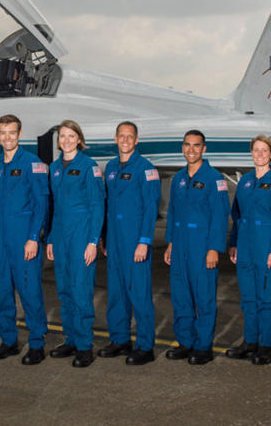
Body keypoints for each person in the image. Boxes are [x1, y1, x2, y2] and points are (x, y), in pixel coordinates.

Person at [0, 114, 50, 365]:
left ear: (20, 135)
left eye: (12, 132)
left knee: (30, 291)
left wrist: (34, 238)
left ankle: (36, 343)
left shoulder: (33, 164)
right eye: (2, 132)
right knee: (1, 292)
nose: (7, 137)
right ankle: (8, 340)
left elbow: (41, 205)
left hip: (24, 239)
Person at [163, 129, 230, 365]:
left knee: (204, 298)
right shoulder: (178, 178)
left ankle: (203, 346)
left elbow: (221, 216)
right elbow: (172, 212)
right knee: (181, 296)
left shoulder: (215, 178)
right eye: (187, 145)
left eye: (196, 145)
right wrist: (170, 242)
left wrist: (214, 248)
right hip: (180, 244)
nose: (191, 149)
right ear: (183, 147)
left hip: (202, 247)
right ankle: (185, 342)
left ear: (204, 148)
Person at [224, 135, 271, 366]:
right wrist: (233, 243)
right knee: (248, 300)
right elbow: (237, 215)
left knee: (266, 300)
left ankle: (264, 347)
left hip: (265, 249)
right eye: (256, 150)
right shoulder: (245, 181)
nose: (260, 154)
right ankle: (250, 342)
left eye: (265, 150)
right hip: (244, 247)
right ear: (251, 153)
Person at [99, 121, 161, 366]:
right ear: (115, 139)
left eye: (130, 136)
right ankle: (119, 339)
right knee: (116, 293)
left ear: (136, 141)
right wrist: (104, 236)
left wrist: (144, 241)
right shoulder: (112, 167)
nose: (125, 140)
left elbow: (150, 208)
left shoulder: (147, 169)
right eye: (121, 136)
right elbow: (107, 206)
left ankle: (145, 346)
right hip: (114, 240)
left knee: (140, 294)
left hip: (135, 240)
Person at [46, 119, 105, 368]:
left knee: (81, 292)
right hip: (60, 237)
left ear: (79, 139)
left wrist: (93, 241)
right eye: (62, 136)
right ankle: (70, 338)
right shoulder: (54, 167)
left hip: (82, 237)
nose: (66, 140)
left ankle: (84, 345)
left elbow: (98, 205)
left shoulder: (89, 167)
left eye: (71, 136)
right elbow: (55, 208)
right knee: (64, 291)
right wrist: (50, 238)